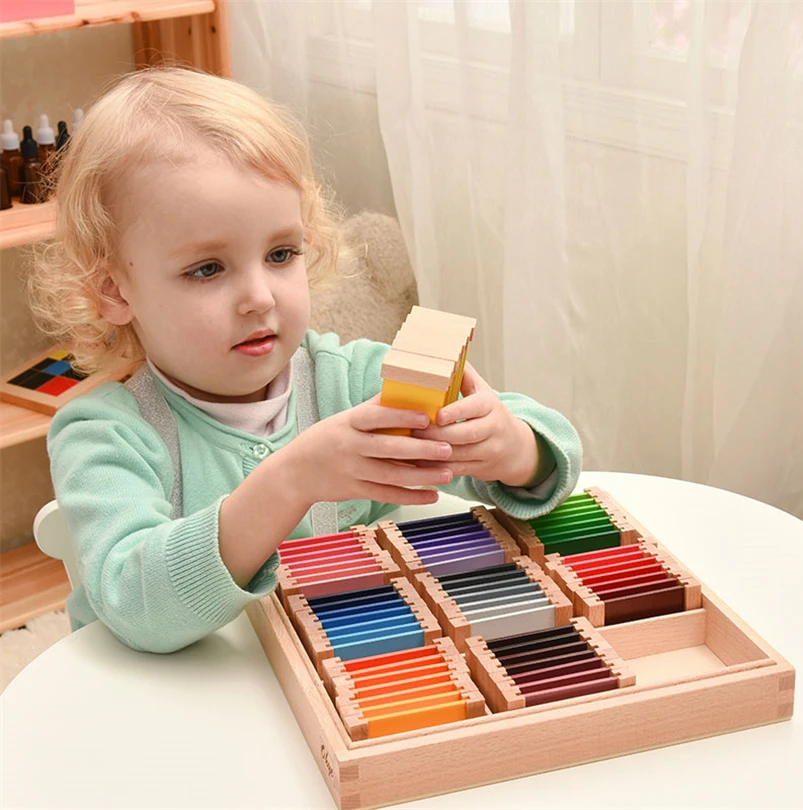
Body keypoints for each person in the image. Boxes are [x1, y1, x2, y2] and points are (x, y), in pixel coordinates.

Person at [28, 68, 582, 654]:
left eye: (280, 254)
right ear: (113, 291)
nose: (260, 297)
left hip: (337, 675)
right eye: (207, 269)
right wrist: (290, 480)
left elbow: (553, 453)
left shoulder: (354, 381)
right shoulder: (102, 435)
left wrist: (513, 448)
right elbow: (137, 607)